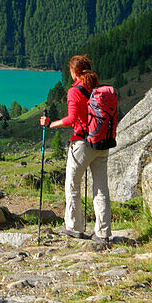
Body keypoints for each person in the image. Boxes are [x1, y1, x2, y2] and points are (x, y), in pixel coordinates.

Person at [40, 54, 112, 243]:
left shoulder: (75, 91)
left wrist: (50, 124)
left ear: (74, 72)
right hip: (102, 143)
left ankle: (74, 227)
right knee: (101, 189)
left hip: (82, 144)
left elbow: (71, 119)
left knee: (73, 186)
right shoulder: (97, 89)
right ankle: (103, 233)